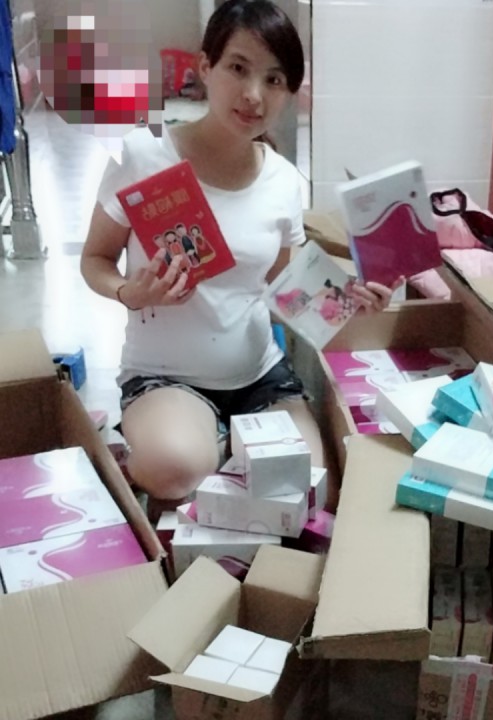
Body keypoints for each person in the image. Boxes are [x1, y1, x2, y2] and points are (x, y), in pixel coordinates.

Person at [80, 0, 401, 520]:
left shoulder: (283, 180)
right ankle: (171, 445)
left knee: (312, 488)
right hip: (166, 375)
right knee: (176, 467)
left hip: (259, 375)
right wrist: (127, 292)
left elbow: (284, 286)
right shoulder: (144, 155)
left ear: (289, 93)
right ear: (204, 67)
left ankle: (223, 444)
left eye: (274, 80)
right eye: (238, 68)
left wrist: (350, 300)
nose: (254, 94)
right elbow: (94, 259)